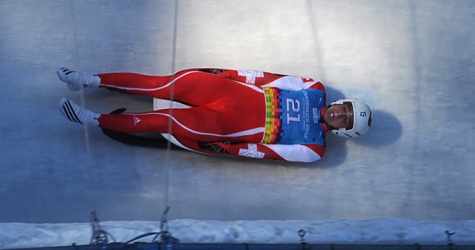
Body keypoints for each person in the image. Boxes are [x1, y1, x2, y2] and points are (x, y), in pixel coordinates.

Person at [57, 67, 372, 162]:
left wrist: (227, 149)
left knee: (165, 121)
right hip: (224, 91)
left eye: (345, 119)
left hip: (225, 126)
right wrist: (226, 74)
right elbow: (266, 78)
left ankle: (93, 119)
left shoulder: (314, 148)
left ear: (343, 130)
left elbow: (267, 152)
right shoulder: (314, 88)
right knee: (160, 84)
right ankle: (87, 80)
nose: (339, 113)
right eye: (344, 108)